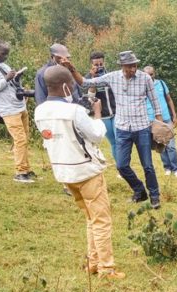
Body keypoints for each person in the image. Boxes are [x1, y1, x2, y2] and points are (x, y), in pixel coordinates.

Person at [34, 66, 124, 279]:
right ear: (66, 86)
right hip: (86, 171)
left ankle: (93, 262)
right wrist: (98, 114)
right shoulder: (74, 111)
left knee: (90, 218)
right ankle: (107, 268)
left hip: (64, 172)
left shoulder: (39, 111)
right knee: (101, 220)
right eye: (72, 85)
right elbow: (96, 135)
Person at [65, 51, 164, 209]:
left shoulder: (145, 78)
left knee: (147, 165)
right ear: (122, 66)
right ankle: (140, 191)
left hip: (142, 128)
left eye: (135, 65)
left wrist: (160, 125)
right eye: (129, 66)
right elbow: (84, 83)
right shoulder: (113, 77)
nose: (133, 69)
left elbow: (155, 101)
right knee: (122, 165)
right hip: (123, 129)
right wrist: (72, 69)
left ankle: (154, 196)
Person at [0, 39, 35, 183]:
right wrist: (6, 78)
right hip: (7, 109)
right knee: (20, 139)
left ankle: (26, 169)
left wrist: (17, 78)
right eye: (3, 53)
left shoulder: (4, 65)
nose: (5, 56)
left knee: (25, 139)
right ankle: (20, 172)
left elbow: (12, 85)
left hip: (19, 105)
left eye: (7, 54)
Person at [143, 65, 177, 178]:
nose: (150, 76)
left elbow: (169, 99)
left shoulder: (161, 84)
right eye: (147, 75)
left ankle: (176, 169)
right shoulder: (142, 87)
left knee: (171, 145)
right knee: (161, 145)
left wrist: (174, 115)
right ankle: (167, 168)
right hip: (153, 121)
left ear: (154, 73)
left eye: (151, 74)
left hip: (166, 118)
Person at [85, 51, 117, 166]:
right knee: (114, 142)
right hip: (104, 115)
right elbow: (90, 96)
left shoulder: (111, 74)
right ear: (91, 64)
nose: (99, 66)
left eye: (101, 64)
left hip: (116, 112)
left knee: (120, 140)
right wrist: (94, 79)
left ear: (104, 62)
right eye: (96, 64)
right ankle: (120, 167)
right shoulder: (88, 78)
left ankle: (124, 165)